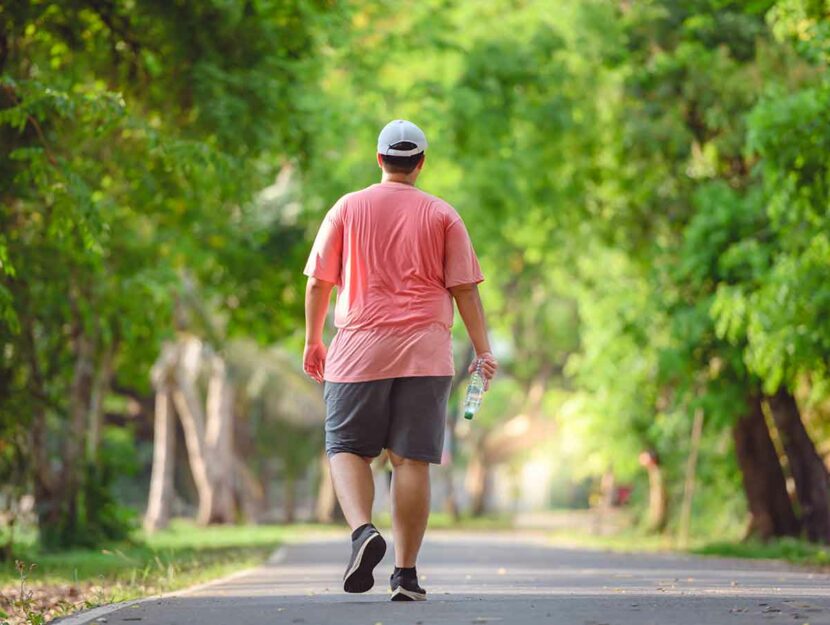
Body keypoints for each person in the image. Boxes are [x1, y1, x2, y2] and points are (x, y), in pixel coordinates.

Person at [303, 119, 497, 601]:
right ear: (421, 163)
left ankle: (363, 532)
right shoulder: (442, 214)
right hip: (426, 353)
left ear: (379, 159)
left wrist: (313, 340)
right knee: (411, 460)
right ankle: (405, 576)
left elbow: (317, 283)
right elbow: (465, 291)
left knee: (347, 446)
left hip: (358, 350)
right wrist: (483, 349)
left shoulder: (347, 207)